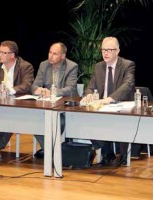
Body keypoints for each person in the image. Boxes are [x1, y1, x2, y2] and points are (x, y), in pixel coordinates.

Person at [80, 36, 135, 166]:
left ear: (117, 51)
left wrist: (109, 99)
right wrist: (88, 95)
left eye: (109, 50)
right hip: (102, 107)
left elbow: (127, 85)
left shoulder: (128, 65)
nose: (105, 53)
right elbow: (90, 87)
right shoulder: (98, 67)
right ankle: (107, 152)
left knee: (122, 120)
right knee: (87, 119)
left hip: (121, 106)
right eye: (103, 50)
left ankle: (123, 154)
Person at [0, 40, 34, 162]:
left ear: (12, 55)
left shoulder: (25, 66)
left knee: (10, 117)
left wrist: (9, 91)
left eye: (3, 53)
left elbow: (26, 85)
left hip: (18, 105)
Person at [31, 42, 78, 159]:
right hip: (46, 107)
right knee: (33, 121)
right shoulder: (44, 65)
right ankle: (50, 150)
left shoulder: (71, 66)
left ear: (63, 56)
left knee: (58, 122)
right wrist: (38, 90)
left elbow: (70, 89)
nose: (50, 56)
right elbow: (34, 85)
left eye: (55, 54)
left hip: (65, 107)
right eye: (50, 52)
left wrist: (52, 92)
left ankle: (49, 151)